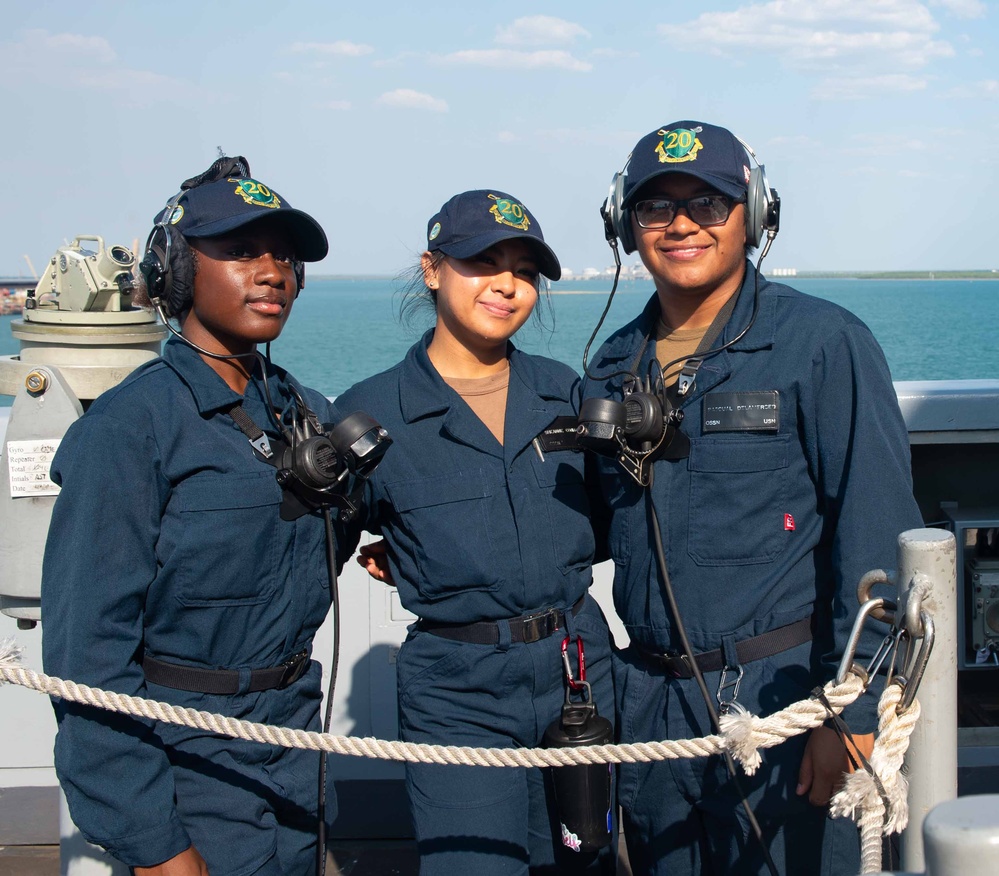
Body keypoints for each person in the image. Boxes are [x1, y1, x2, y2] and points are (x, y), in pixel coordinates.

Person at [582, 121, 923, 876]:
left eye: (708, 202)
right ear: (622, 224)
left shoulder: (821, 343)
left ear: (756, 211)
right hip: (651, 709)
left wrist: (851, 710)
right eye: (653, 206)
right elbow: (597, 523)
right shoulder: (611, 368)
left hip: (784, 701)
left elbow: (875, 537)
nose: (679, 224)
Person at [42, 157, 363, 875]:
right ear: (177, 273)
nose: (274, 271)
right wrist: (153, 843)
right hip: (187, 758)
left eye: (284, 256)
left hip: (294, 744)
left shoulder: (301, 410)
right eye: (242, 251)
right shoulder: (130, 429)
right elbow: (86, 660)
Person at [336, 190, 616, 875]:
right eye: (481, 261)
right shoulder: (369, 412)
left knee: (582, 863)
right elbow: (325, 536)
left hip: (576, 668)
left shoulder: (566, 394)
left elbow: (609, 525)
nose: (507, 284)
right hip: (456, 689)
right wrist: (404, 552)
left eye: (523, 269)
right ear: (432, 270)